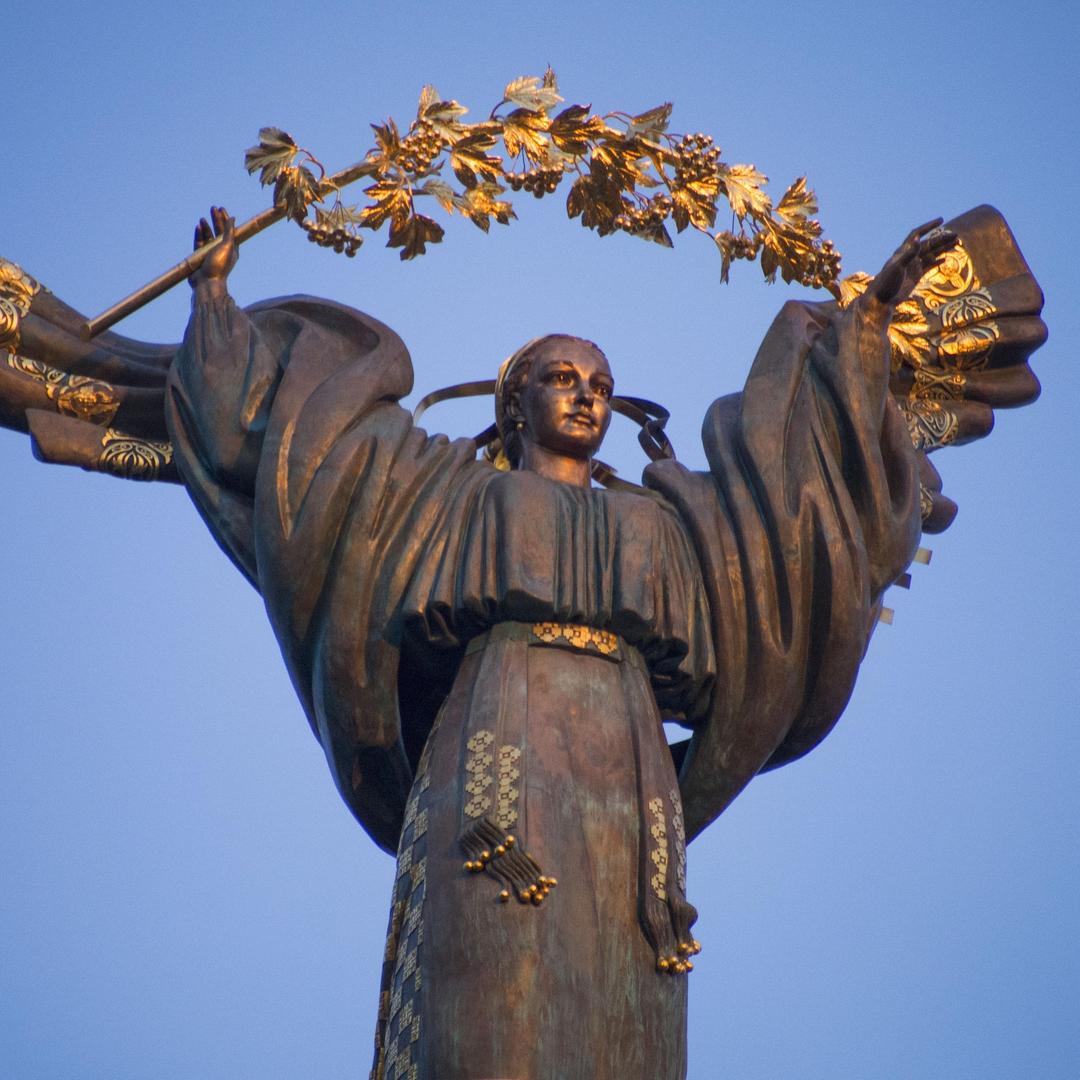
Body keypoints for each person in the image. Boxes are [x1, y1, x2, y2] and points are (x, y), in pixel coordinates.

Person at [0, 205, 1045, 1080]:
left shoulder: (672, 527)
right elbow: (300, 445)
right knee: (489, 998)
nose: (587, 392)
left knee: (628, 1000)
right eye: (561, 376)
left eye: (600, 379)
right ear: (515, 400)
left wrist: (862, 335)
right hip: (495, 745)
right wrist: (218, 307)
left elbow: (789, 506)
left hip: (632, 785)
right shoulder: (442, 493)